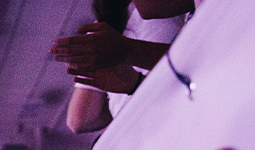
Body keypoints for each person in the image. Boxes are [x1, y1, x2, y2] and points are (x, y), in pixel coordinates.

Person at [63, 0, 185, 133]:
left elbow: (78, 120)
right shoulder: (102, 30)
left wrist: (124, 105)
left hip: (159, 120)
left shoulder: (102, 29)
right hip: (164, 116)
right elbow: (78, 120)